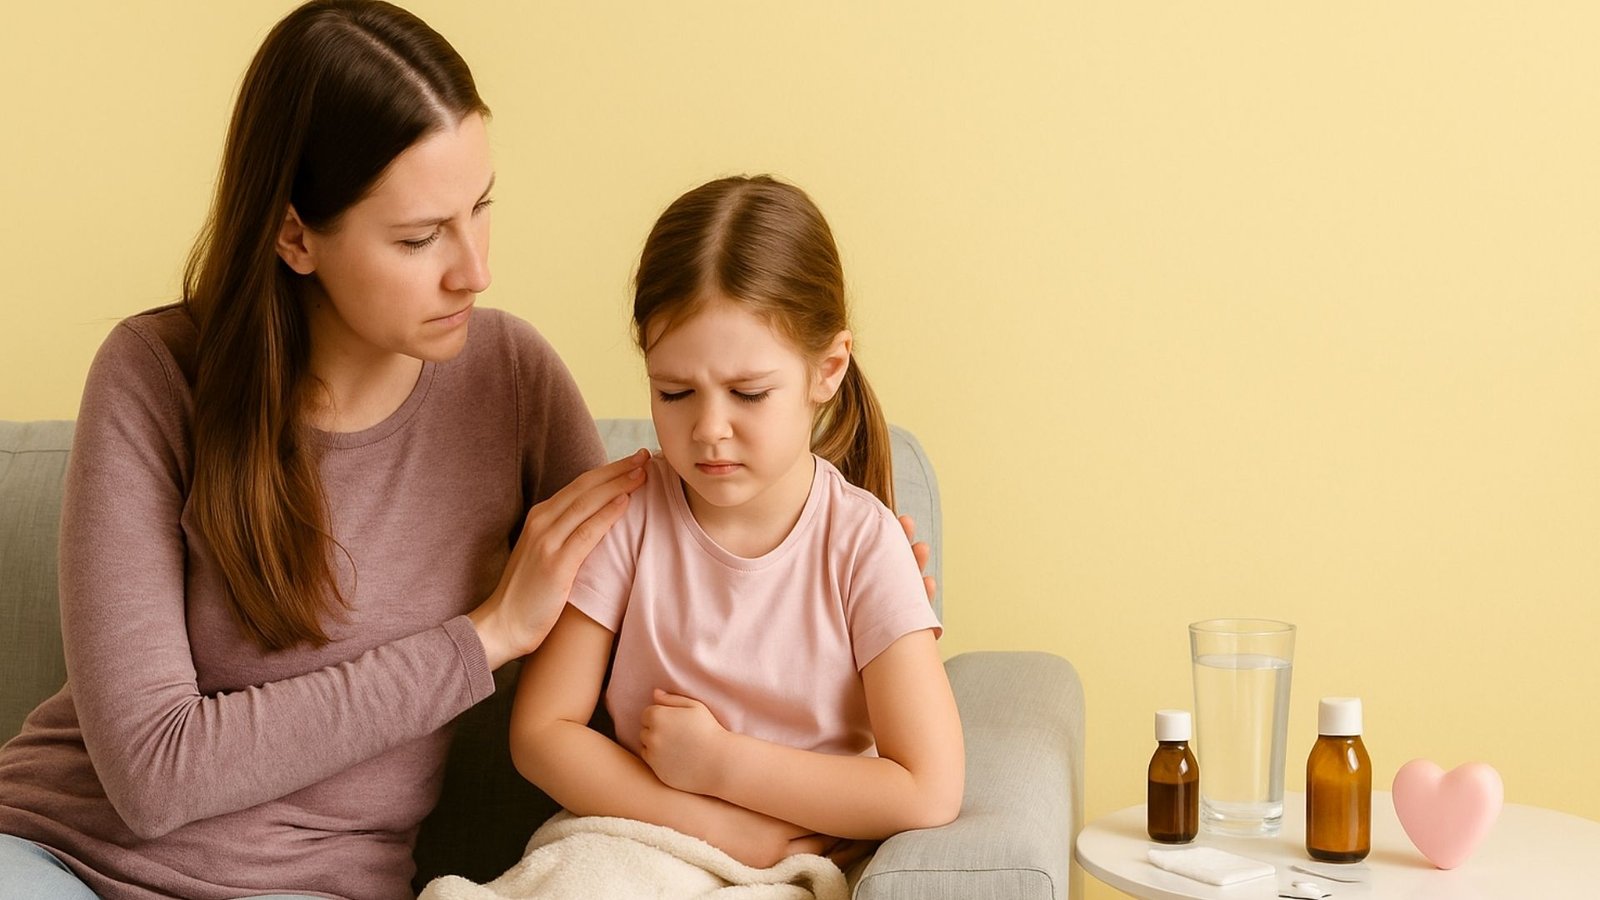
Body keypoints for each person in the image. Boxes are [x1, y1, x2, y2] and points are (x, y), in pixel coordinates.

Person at [0, 2, 653, 898]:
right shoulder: (155, 376)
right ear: (295, 233)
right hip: (55, 857)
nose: (474, 269)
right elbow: (154, 772)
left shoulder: (513, 381)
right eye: (420, 237)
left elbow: (671, 610)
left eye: (482, 209)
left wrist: (835, 572)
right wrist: (484, 637)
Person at [508, 176, 964, 874]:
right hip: (637, 839)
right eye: (675, 392)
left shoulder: (864, 543)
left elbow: (928, 788)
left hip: (791, 860)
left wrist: (723, 765)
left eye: (748, 393)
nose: (708, 430)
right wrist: (712, 823)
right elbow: (541, 732)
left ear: (827, 369)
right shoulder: (628, 515)